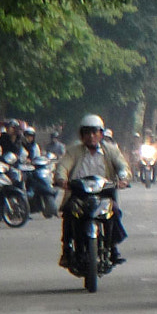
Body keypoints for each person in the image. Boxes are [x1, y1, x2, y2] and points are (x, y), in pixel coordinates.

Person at [53, 114, 131, 266]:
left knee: (114, 210)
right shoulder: (73, 151)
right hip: (79, 193)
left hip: (104, 192)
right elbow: (63, 166)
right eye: (87, 132)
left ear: (101, 134)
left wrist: (123, 178)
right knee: (69, 212)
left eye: (95, 132)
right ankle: (67, 249)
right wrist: (62, 179)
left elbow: (123, 166)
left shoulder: (111, 150)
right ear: (81, 135)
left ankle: (113, 247)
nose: (91, 136)